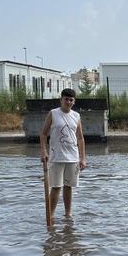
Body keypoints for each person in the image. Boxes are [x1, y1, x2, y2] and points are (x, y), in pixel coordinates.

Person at [40, 88, 87, 221]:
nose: (68, 102)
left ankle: (68, 215)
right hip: (56, 157)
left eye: (71, 100)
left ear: (74, 101)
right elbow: (43, 134)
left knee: (68, 186)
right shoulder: (53, 113)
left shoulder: (76, 116)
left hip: (72, 157)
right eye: (66, 99)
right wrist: (44, 151)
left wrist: (83, 158)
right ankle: (50, 216)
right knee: (56, 187)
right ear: (61, 100)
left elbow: (80, 138)